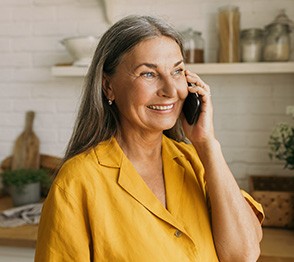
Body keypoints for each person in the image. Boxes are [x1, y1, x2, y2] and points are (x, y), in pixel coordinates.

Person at [35, 15, 264, 262]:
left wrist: (207, 144)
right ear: (108, 87)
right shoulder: (76, 182)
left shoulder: (196, 162)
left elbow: (243, 255)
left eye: (177, 71)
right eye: (148, 74)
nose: (170, 90)